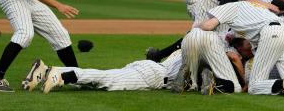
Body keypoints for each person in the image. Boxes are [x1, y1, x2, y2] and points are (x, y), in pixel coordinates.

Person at [23, 50, 183, 94]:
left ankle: (45, 71)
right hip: (155, 75)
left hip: (149, 68)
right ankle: (61, 77)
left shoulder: (187, 46)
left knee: (104, 78)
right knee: (107, 79)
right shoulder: (196, 51)